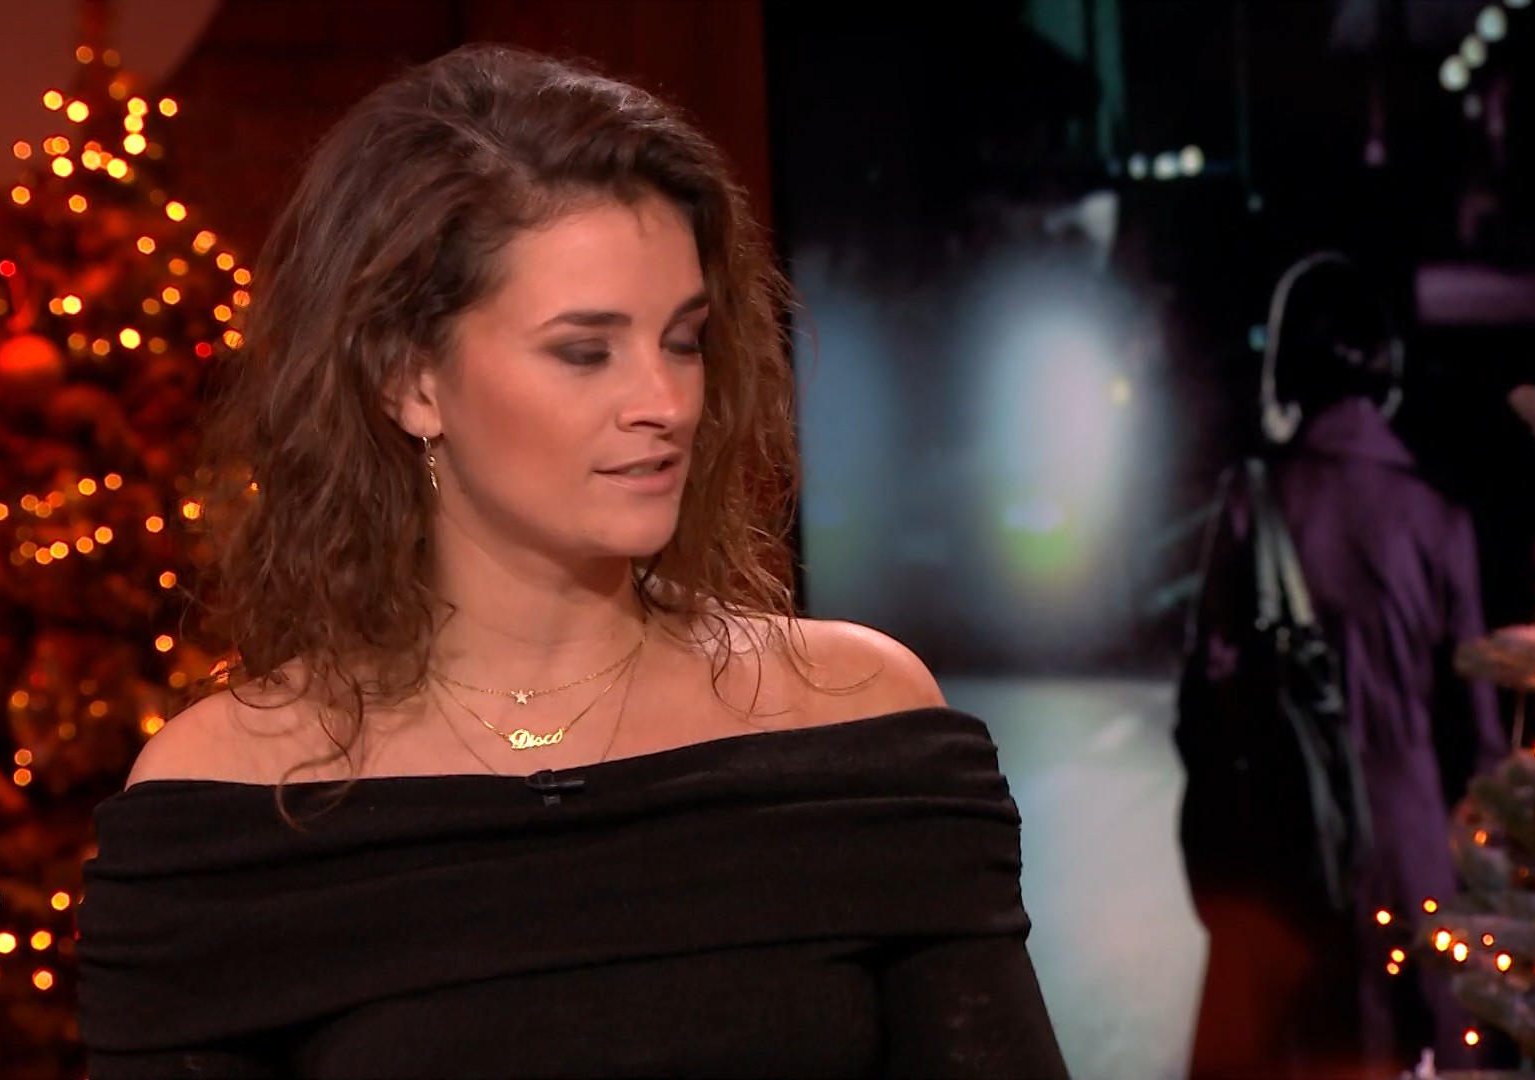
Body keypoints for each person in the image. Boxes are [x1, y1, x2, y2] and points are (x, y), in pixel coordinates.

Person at [73, 44, 1070, 1080]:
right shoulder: (232, 799)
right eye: (586, 351)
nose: (665, 403)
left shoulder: (857, 722)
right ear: (409, 380)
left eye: (683, 340)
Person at [1176, 253, 1508, 1079]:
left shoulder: (1253, 500)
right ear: (1385, 369)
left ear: (1286, 365)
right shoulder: (1437, 515)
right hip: (1411, 847)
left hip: (1283, 853)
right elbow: (1482, 739)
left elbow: (1200, 711)